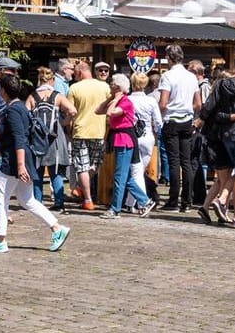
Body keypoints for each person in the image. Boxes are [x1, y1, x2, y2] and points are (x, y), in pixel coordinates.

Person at [0, 79, 70, 254]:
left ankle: (0, 240)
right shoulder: (20, 106)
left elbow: (19, 138)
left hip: (14, 161)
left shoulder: (12, 110)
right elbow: (11, 138)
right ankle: (57, 228)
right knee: (27, 200)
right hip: (22, 158)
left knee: (1, 199)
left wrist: (20, 166)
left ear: (3, 91)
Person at [195, 51, 235, 229]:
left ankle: (221, 200)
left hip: (225, 135)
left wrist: (201, 120)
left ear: (234, 64)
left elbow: (209, 108)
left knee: (234, 172)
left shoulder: (222, 84)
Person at [157, 45, 200, 212]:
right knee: (186, 162)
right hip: (187, 120)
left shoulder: (167, 76)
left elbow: (163, 103)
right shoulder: (191, 77)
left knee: (174, 162)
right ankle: (187, 201)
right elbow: (198, 103)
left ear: (169, 58)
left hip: (172, 120)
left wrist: (160, 113)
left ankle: (173, 200)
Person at [100, 74, 150, 217]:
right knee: (123, 177)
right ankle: (145, 201)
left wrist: (115, 99)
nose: (110, 85)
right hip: (118, 140)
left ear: (118, 87)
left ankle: (115, 209)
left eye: (112, 84)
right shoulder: (117, 100)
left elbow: (110, 114)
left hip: (125, 140)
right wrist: (111, 99)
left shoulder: (125, 102)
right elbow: (98, 110)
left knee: (120, 177)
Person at [67, 60, 111, 211]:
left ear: (79, 73)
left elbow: (70, 112)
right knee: (95, 164)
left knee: (81, 167)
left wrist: (67, 127)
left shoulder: (74, 88)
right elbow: (110, 107)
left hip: (80, 131)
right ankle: (82, 189)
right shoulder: (104, 86)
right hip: (99, 131)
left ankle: (87, 199)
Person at [31, 67, 71, 208]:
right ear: (52, 80)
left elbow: (27, 114)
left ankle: (37, 202)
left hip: (37, 137)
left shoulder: (32, 96)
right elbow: (73, 110)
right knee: (55, 170)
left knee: (37, 170)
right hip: (54, 135)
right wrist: (63, 122)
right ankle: (59, 202)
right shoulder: (57, 95)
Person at [128, 71, 163, 211]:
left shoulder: (128, 100)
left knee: (135, 172)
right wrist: (155, 134)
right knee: (138, 172)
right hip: (148, 137)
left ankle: (141, 203)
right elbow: (159, 122)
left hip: (132, 136)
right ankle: (131, 203)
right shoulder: (151, 100)